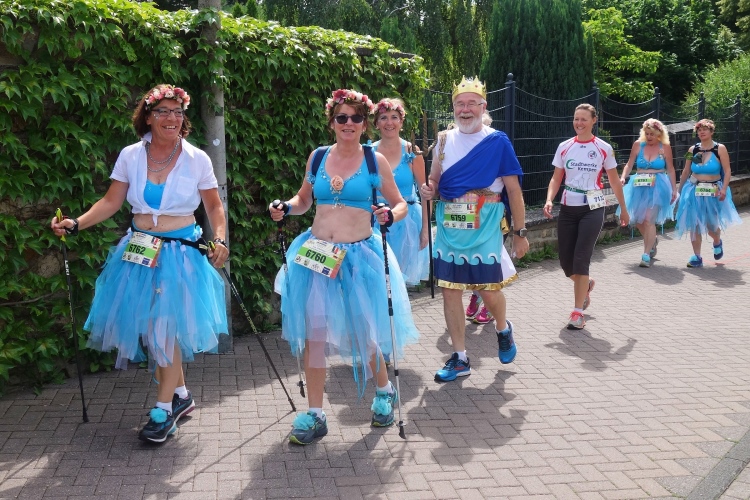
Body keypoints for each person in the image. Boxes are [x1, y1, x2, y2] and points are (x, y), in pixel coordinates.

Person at [50, 84, 229, 443]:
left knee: (165, 327)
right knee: (153, 327)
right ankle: (181, 396)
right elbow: (111, 201)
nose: (171, 118)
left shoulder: (197, 159)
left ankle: (163, 411)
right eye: (162, 111)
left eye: (177, 112)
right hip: (139, 250)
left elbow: (213, 206)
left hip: (180, 254)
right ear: (148, 116)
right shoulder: (131, 155)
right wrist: (76, 223)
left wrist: (221, 238)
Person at [268, 89, 419, 445]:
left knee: (364, 333)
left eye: (355, 118)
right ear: (332, 122)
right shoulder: (318, 157)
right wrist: (285, 207)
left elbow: (400, 204)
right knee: (314, 335)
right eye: (341, 117)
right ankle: (315, 414)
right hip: (317, 255)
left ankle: (384, 391)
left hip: (359, 258)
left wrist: (389, 214)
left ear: (365, 124)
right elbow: (304, 200)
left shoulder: (374, 161)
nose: (348, 123)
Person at [420, 76, 529, 383]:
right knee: (449, 289)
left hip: (485, 222)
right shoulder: (443, 140)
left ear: (483, 106)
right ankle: (460, 357)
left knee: (487, 289)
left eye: (471, 103)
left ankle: (503, 328)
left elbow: (514, 190)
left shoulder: (498, 141)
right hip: (450, 222)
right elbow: (435, 180)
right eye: (459, 104)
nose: (465, 109)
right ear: (453, 107)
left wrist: (520, 233)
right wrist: (430, 191)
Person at [543, 103, 629, 330]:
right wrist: (550, 199)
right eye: (576, 119)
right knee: (566, 263)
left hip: (593, 208)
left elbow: (614, 180)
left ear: (594, 121)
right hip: (568, 207)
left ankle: (577, 313)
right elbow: (556, 178)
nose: (579, 123)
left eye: (583, 119)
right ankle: (586, 283)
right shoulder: (564, 147)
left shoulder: (603, 148)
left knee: (581, 259)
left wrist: (623, 208)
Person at [371, 97, 429, 286]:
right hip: (376, 222)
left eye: (394, 117)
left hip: (407, 224)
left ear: (401, 122)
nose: (389, 122)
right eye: (383, 118)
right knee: (377, 279)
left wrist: (425, 229)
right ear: (377, 123)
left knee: (399, 282)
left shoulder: (412, 152)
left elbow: (425, 192)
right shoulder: (368, 153)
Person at [675, 119, 742, 267]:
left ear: (711, 131)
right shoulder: (692, 150)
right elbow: (686, 170)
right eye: (699, 130)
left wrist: (724, 189)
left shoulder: (720, 149)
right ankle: (697, 257)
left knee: (711, 225)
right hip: (693, 190)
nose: (702, 132)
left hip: (713, 191)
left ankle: (717, 241)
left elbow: (727, 171)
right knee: (694, 224)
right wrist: (678, 191)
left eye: (705, 129)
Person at [618, 118, 677, 267]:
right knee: (638, 221)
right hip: (639, 186)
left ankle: (645, 255)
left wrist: (674, 189)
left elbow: (670, 169)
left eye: (652, 134)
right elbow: (629, 164)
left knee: (649, 220)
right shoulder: (638, 145)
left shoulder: (665, 147)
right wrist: (623, 177)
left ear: (659, 134)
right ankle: (653, 240)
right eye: (647, 133)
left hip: (658, 186)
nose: (649, 136)